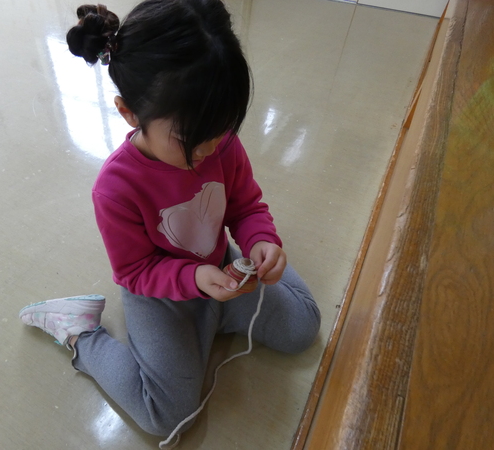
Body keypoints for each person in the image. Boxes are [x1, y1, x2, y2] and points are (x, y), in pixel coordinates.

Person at [19, 0, 321, 441]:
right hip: (158, 295)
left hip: (222, 270)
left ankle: (212, 320)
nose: (207, 150)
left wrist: (262, 242)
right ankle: (78, 333)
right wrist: (195, 279)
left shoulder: (219, 141)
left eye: (219, 130)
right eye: (188, 139)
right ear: (129, 112)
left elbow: (245, 206)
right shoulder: (115, 188)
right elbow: (135, 272)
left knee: (302, 328)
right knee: (166, 418)